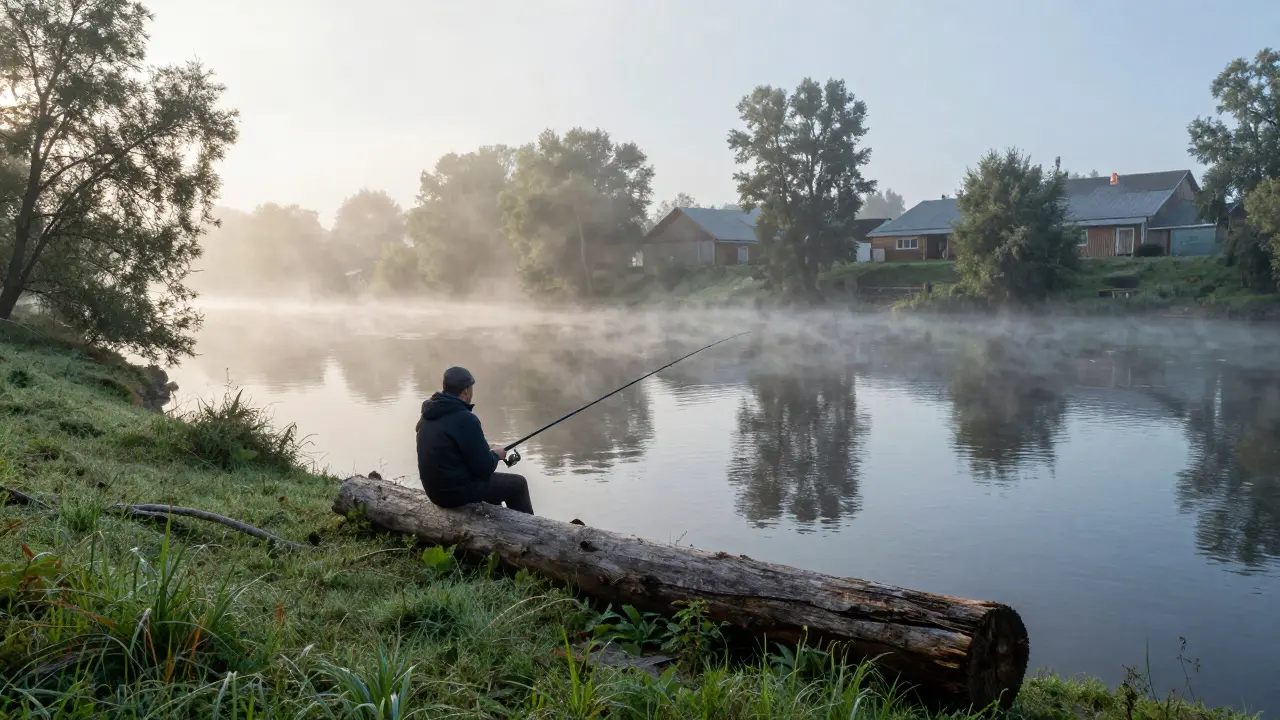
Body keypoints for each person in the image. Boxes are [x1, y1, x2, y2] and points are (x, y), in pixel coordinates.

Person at [415, 366, 534, 514]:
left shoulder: (429, 413)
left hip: (434, 491)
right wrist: (497, 455)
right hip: (452, 494)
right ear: (466, 391)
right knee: (518, 484)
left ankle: (497, 525)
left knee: (494, 487)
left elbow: (450, 448)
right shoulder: (465, 418)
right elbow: (485, 468)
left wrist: (486, 451)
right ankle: (532, 532)